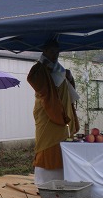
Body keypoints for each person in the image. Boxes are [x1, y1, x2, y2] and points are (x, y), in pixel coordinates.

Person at [27, 38, 79, 185]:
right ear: (45, 51)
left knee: (61, 144)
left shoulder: (60, 69)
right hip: (46, 112)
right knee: (46, 143)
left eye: (57, 52)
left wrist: (69, 77)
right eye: (51, 51)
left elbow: (68, 91)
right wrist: (48, 74)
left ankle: (60, 180)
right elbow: (35, 82)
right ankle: (43, 182)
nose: (55, 55)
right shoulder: (39, 68)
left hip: (61, 113)